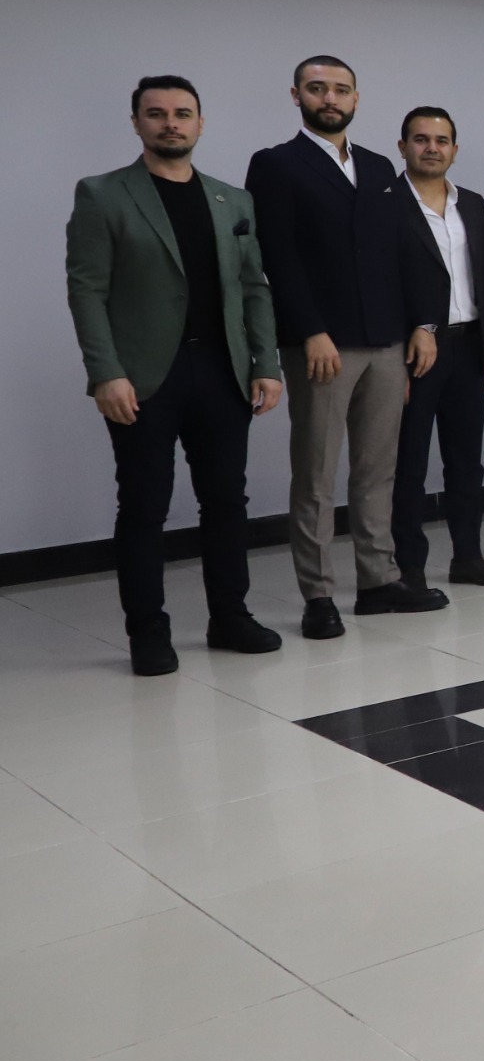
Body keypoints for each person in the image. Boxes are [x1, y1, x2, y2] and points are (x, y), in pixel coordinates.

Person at [67, 77, 285, 675]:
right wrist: (105, 372)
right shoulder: (103, 194)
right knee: (144, 505)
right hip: (142, 377)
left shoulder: (231, 199)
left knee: (226, 501)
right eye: (157, 113)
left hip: (222, 370)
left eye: (182, 113)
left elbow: (254, 287)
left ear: (200, 123)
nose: (171, 123)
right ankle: (148, 633)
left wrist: (265, 363)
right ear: (136, 122)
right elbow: (87, 290)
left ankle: (230, 617)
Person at [244, 56, 447, 636]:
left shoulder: (380, 166)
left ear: (356, 98)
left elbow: (403, 251)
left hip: (385, 340)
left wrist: (423, 324)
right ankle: (318, 595)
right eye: (318, 89)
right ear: (297, 95)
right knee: (315, 475)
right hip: (322, 344)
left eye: (340, 89)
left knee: (377, 470)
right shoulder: (276, 164)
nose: (329, 98)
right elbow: (276, 255)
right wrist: (310, 330)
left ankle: (379, 581)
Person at [391, 107, 484, 589]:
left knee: (466, 462)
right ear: (403, 147)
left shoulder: (474, 204)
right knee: (409, 465)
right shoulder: (385, 204)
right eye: (421, 139)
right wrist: (403, 339)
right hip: (415, 352)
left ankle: (468, 557)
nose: (431, 148)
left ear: (455, 150)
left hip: (469, 347)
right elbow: (380, 283)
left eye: (441, 140)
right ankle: (409, 566)